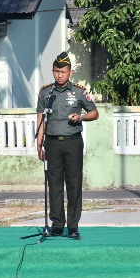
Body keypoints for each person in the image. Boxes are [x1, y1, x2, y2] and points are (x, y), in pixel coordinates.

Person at [36, 52, 99, 239]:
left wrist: (80, 117)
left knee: (73, 183)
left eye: (63, 71)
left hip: (72, 143)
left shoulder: (78, 92)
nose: (59, 75)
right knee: (54, 184)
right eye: (56, 71)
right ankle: (57, 225)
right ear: (52, 71)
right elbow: (41, 120)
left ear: (70, 72)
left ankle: (72, 226)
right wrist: (39, 146)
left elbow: (94, 113)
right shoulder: (46, 93)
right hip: (52, 143)